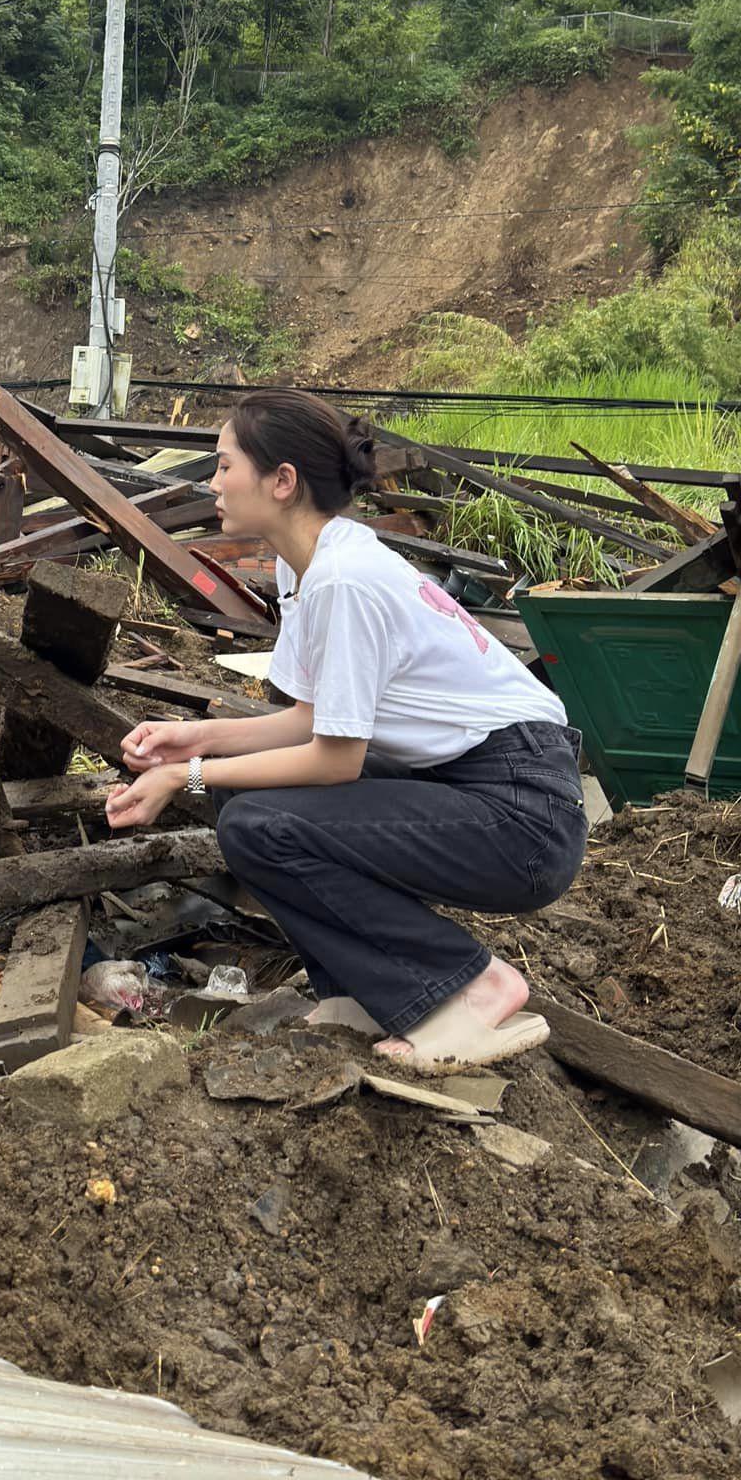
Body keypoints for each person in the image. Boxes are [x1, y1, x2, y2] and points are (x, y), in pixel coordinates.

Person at [105, 390, 585, 1073]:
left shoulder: (344, 579)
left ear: (282, 481)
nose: (211, 483)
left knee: (255, 825)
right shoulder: (308, 564)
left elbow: (333, 762)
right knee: (241, 805)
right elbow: (313, 719)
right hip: (475, 790)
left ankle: (474, 987)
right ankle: (361, 996)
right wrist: (199, 742)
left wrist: (181, 775)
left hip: (522, 816)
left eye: (223, 466)